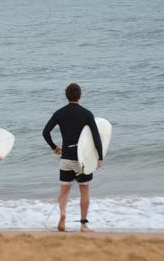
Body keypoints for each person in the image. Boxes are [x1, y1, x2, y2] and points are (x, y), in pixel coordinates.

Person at [42, 83, 103, 232]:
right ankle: (83, 224)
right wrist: (100, 156)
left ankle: (63, 215)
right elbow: (96, 136)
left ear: (66, 96)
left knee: (64, 190)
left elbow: (45, 132)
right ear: (80, 96)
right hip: (82, 160)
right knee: (84, 190)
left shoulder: (60, 113)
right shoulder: (87, 114)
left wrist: (55, 148)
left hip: (66, 159)